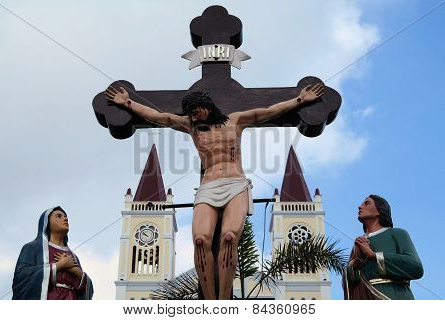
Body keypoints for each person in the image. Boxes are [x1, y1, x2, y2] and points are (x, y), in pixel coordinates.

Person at [105, 84, 323, 299]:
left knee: (229, 237)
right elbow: (160, 117)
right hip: (208, 187)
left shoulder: (236, 120)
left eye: (195, 111)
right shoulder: (191, 126)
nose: (193, 116)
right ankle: (211, 304)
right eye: (190, 114)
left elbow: (267, 112)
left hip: (235, 184)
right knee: (200, 240)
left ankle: (223, 302)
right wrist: (128, 104)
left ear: (206, 105)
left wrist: (300, 101)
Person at [343, 195, 423, 300]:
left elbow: (415, 267)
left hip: (394, 295)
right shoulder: (359, 244)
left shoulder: (397, 234)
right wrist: (355, 264)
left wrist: (374, 256)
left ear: (379, 211)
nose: (359, 207)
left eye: (366, 203)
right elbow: (352, 283)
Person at [12, 206, 93, 300]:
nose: (65, 218)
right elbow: (21, 279)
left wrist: (75, 271)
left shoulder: (73, 257)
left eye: (65, 217)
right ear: (47, 223)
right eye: (59, 216)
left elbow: (88, 290)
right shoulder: (32, 248)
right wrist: (60, 265)